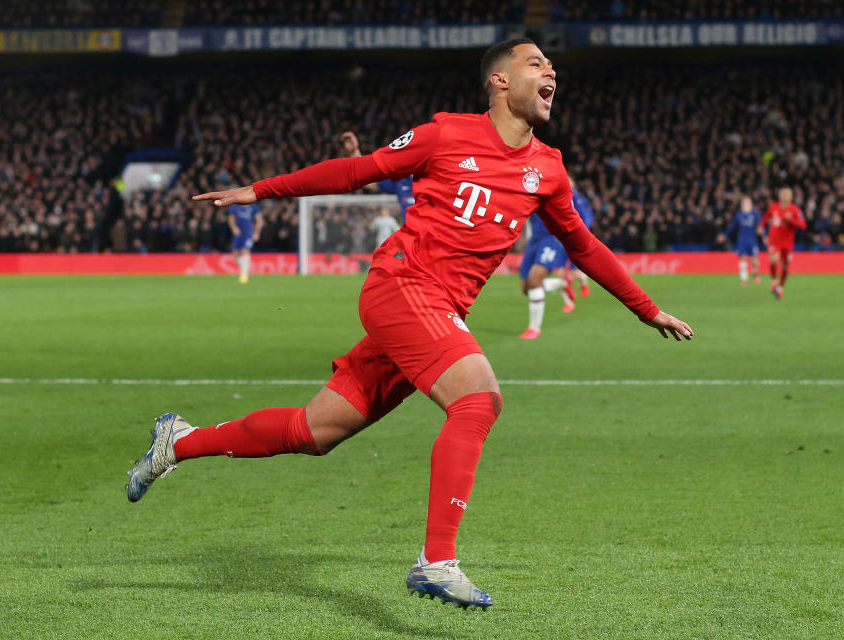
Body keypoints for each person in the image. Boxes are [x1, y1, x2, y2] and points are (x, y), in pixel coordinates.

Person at [126, 38, 694, 610]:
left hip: (435, 312)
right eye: (536, 63)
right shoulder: (446, 133)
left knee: (314, 431)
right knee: (477, 400)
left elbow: (584, 246)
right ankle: (437, 561)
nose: (551, 70)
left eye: (552, 65)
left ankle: (180, 441)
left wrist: (645, 308)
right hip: (403, 285)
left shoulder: (548, 169)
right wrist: (263, 190)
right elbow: (358, 170)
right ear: (499, 81)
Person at [518, 212, 578, 340]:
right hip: (534, 240)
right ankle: (563, 284)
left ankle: (534, 328)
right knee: (526, 288)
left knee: (535, 278)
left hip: (551, 239)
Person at [341, 131, 415, 220]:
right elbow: (369, 181)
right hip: (411, 232)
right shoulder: (400, 180)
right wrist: (354, 151)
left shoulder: (432, 178)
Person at [759, 187, 806, 299]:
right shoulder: (773, 207)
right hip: (774, 240)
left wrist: (791, 220)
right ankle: (774, 280)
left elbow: (803, 225)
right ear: (779, 196)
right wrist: (761, 227)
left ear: (791, 197)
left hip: (787, 242)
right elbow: (765, 218)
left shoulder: (795, 210)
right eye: (783, 194)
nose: (784, 196)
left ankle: (780, 288)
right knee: (774, 259)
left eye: (787, 194)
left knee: (785, 267)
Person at [720, 196, 762, 286]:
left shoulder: (755, 214)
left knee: (754, 259)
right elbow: (732, 226)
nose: (746, 204)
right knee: (742, 259)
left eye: (748, 202)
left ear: (751, 204)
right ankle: (744, 278)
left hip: (752, 240)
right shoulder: (738, 215)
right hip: (742, 240)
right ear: (742, 204)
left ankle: (755, 274)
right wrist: (724, 234)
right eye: (744, 203)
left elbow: (760, 226)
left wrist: (764, 235)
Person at [564, 178, 596, 297]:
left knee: (570, 265)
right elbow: (590, 217)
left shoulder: (574, 196)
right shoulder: (581, 198)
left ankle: (573, 285)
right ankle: (582, 284)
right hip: (575, 231)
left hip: (575, 232)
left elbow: (586, 218)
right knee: (573, 264)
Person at [228, 201, 262, 283]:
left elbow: (259, 220)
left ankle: (244, 276)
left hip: (248, 233)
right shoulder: (234, 207)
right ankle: (244, 268)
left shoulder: (253, 207)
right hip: (238, 233)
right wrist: (233, 228)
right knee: (235, 255)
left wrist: (256, 232)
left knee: (245, 251)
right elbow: (231, 219)